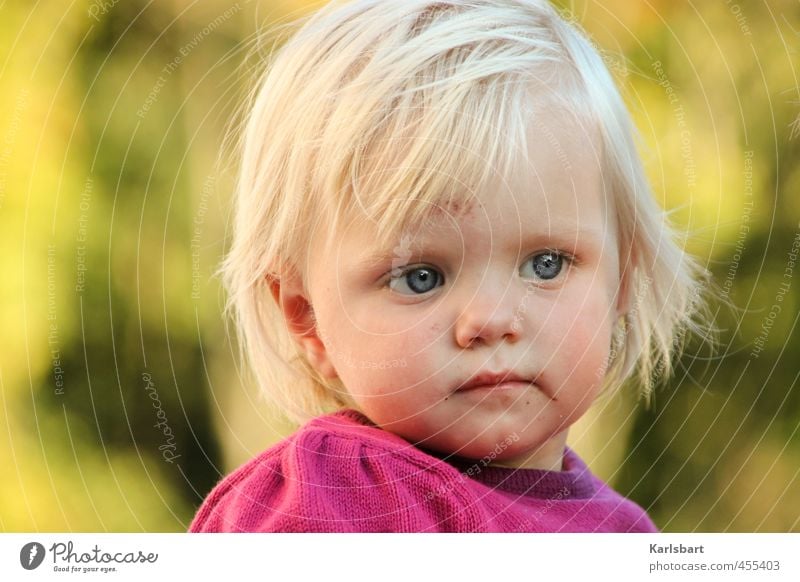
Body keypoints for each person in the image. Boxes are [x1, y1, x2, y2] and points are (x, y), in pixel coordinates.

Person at [190, 0, 711, 532]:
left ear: (621, 278)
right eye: (422, 278)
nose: (490, 319)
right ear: (308, 318)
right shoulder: (335, 498)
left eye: (546, 265)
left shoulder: (621, 533)